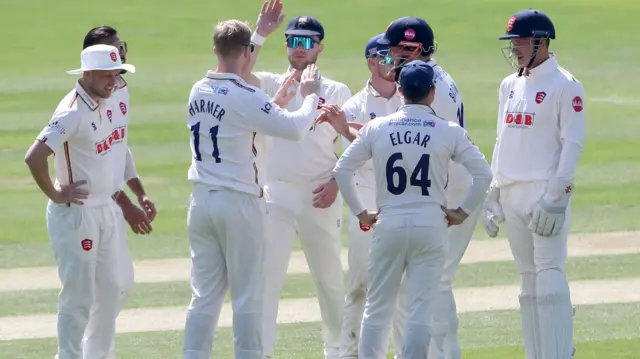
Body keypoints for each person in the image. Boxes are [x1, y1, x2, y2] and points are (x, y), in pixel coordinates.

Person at [329, 60, 493, 359]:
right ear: (432, 92)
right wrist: (463, 212)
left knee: (377, 310)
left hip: (388, 223)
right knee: (420, 310)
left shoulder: (377, 127)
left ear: (400, 91)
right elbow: (484, 174)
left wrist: (361, 213)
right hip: (431, 225)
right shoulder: (449, 131)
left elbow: (342, 171)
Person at [181, 19, 323, 359]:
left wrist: (273, 101)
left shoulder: (198, 88)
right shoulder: (244, 95)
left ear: (216, 50)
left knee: (203, 295)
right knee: (248, 294)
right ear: (247, 53)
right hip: (239, 203)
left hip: (201, 201)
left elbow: (241, 124)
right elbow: (294, 128)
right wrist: (311, 96)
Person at [246, 3, 352, 358]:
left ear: (321, 47)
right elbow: (241, 70)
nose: (300, 46)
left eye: (308, 40)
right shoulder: (269, 83)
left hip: (319, 194)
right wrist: (260, 32)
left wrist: (337, 183)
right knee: (265, 281)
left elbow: (353, 142)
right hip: (275, 194)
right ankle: (260, 351)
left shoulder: (336, 90)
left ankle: (338, 350)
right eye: (293, 39)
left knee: (329, 281)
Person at [374, 16, 481, 359]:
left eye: (394, 52)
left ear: (414, 48)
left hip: (450, 191)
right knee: (421, 284)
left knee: (435, 282)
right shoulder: (424, 78)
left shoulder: (432, 89)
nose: (389, 59)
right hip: (440, 189)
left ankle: (445, 353)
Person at [483, 8, 585, 359]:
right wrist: (493, 192)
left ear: (541, 41)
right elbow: (501, 138)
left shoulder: (565, 85)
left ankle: (558, 353)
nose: (515, 48)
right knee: (527, 282)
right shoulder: (509, 84)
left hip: (544, 193)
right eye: (513, 41)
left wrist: (557, 197)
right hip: (511, 191)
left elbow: (572, 145)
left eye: (521, 40)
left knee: (549, 276)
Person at [24, 44, 137, 359]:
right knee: (79, 296)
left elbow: (117, 147)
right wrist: (56, 193)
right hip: (76, 215)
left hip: (105, 210)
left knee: (115, 286)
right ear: (87, 74)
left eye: (116, 74)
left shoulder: (108, 97)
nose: (113, 81)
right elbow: (34, 157)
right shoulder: (72, 112)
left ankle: (98, 354)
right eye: (106, 75)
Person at [77, 25, 157, 359]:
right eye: (111, 50)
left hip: (111, 202)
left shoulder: (119, 88)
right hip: (87, 207)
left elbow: (118, 145)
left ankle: (92, 352)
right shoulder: (87, 102)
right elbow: (96, 162)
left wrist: (138, 189)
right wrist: (125, 203)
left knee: (119, 284)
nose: (119, 54)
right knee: (93, 292)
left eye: (120, 47)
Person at [326, 33, 404, 359]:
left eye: (397, 58)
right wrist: (350, 131)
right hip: (366, 200)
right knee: (360, 283)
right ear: (371, 62)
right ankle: (350, 353)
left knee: (404, 287)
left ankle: (408, 352)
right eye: (386, 58)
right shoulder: (354, 106)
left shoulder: (409, 98)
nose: (394, 65)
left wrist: (351, 130)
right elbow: (360, 158)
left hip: (402, 200)